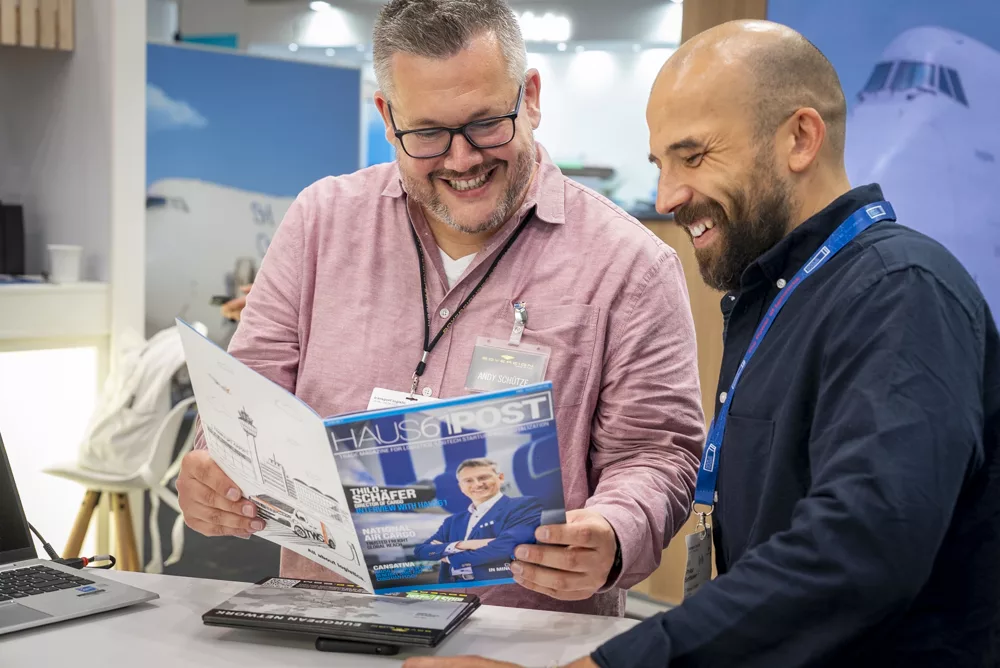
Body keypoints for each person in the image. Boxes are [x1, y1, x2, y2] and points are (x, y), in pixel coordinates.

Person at [404, 19, 1000, 668]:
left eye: (694, 156)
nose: (668, 196)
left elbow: (860, 547)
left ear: (801, 138)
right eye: (661, 165)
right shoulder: (784, 294)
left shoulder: (900, 291)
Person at [176, 0, 706, 617]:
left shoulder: (629, 265)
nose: (461, 160)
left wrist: (614, 533)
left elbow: (657, 454)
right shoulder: (321, 225)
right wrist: (212, 468)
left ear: (530, 98)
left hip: (520, 641)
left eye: (486, 123)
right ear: (386, 115)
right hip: (327, 624)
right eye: (427, 133)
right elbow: (241, 406)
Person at [413, 458, 544, 583]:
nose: (477, 484)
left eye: (483, 477)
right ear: (461, 487)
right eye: (468, 480)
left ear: (500, 478)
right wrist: (462, 545)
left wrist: (448, 556)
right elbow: (421, 551)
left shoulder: (524, 505)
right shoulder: (452, 521)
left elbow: (507, 547)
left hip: (498, 587)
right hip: (456, 589)